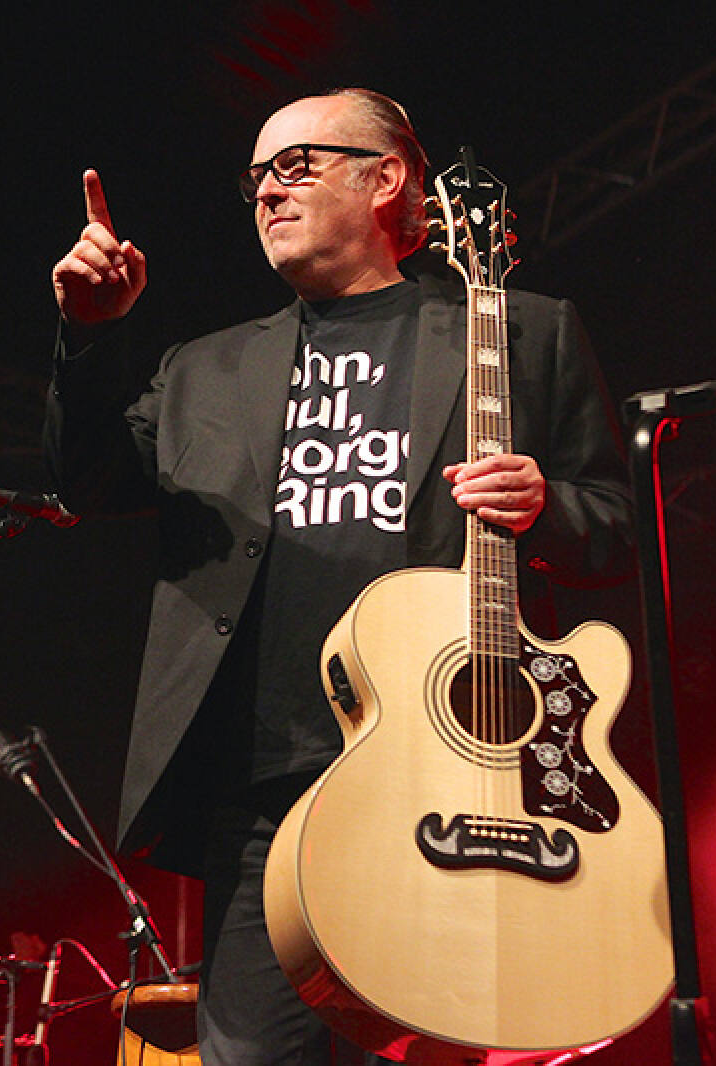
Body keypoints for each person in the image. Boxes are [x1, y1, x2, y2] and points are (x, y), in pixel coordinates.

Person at [43, 88, 633, 1066]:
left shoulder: (518, 330)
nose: (267, 193)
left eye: (295, 165)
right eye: (256, 178)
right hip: (264, 788)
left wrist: (549, 506)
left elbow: (615, 531)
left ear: (384, 178)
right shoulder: (206, 369)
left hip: (451, 774)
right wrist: (91, 333)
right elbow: (87, 484)